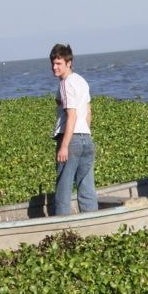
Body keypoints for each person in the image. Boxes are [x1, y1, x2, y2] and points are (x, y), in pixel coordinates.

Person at [49, 43, 98, 215]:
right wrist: (85, 134)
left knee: (63, 187)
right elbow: (88, 111)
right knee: (87, 186)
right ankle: (92, 221)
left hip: (71, 139)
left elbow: (72, 115)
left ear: (69, 63)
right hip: (86, 138)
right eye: (53, 63)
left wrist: (64, 146)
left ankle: (62, 227)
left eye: (59, 64)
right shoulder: (81, 81)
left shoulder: (66, 84)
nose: (55, 67)